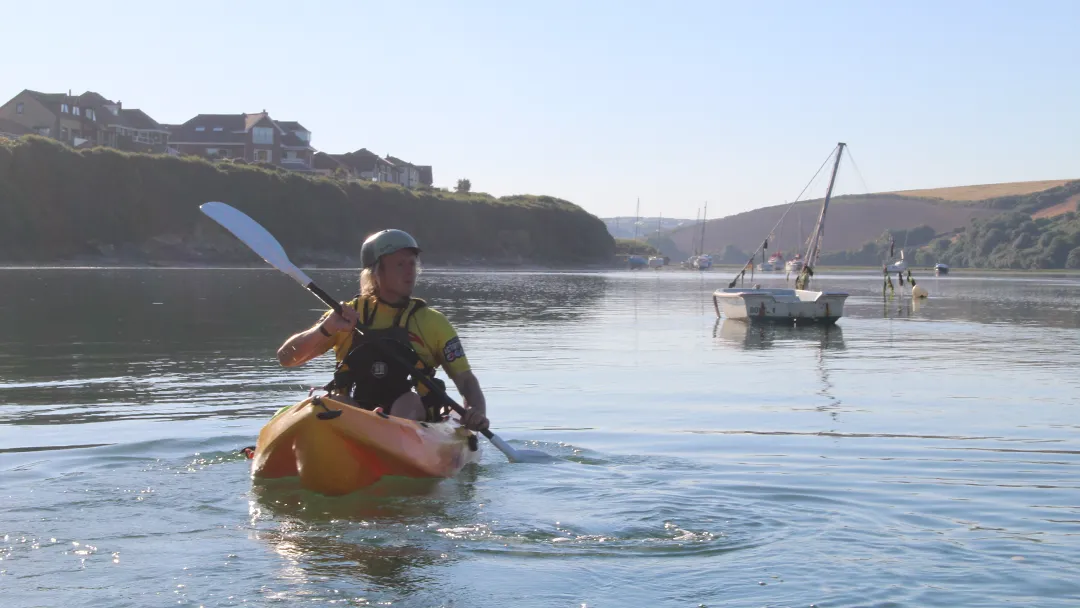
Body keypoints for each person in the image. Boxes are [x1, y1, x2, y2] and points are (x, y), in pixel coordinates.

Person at [276, 229, 489, 432]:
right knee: (329, 403)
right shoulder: (346, 315)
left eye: (412, 263)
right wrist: (325, 328)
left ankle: (391, 440)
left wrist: (475, 411)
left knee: (409, 402)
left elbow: (466, 380)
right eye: (399, 264)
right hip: (352, 416)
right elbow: (287, 358)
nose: (409, 272)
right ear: (376, 272)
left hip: (409, 419)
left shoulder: (432, 322)